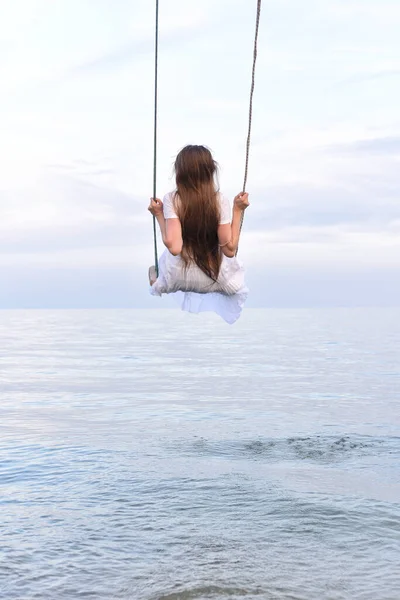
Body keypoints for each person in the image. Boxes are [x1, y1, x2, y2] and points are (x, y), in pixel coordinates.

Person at [147, 145, 250, 324]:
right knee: (236, 283)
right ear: (211, 171)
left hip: (178, 275)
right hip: (217, 277)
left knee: (157, 279)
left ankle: (157, 280)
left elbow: (175, 247)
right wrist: (238, 210)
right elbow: (230, 250)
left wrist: (158, 215)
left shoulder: (173, 199)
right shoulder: (220, 201)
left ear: (179, 172)